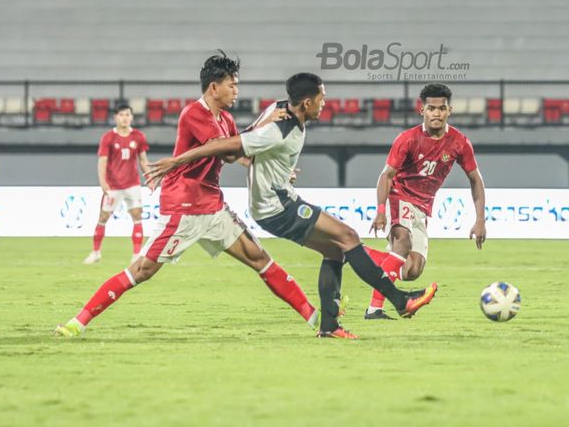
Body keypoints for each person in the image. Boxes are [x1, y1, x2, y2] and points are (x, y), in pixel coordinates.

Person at [145, 73, 438, 340]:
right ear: (307, 102)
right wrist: (177, 160)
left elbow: (245, 144)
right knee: (348, 237)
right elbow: (229, 146)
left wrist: (276, 164)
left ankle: (329, 326)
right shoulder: (279, 129)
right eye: (322, 99)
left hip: (281, 199)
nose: (325, 104)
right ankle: (401, 301)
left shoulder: (280, 111)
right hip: (276, 206)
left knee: (335, 248)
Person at [56, 52, 318, 337]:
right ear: (213, 87)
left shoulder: (226, 119)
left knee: (259, 258)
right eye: (232, 85)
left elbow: (232, 154)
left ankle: (315, 316)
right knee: (141, 270)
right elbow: (222, 145)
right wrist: (262, 127)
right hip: (184, 207)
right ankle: (77, 322)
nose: (236, 91)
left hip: (213, 206)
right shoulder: (193, 113)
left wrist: (265, 161)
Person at [364, 83, 486, 319]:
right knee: (403, 242)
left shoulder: (460, 143)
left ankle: (356, 253)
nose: (436, 113)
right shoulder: (407, 139)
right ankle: (374, 309)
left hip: (422, 207)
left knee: (412, 270)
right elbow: (386, 175)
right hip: (399, 196)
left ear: (449, 110)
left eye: (441, 108)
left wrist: (480, 219)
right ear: (422, 111)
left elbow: (475, 179)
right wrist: (380, 210)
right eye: (431, 108)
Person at [83, 104, 149, 265]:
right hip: (113, 186)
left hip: (132, 184)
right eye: (121, 115)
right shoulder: (108, 138)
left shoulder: (138, 136)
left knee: (137, 217)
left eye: (127, 114)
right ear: (115, 118)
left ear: (132, 117)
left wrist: (150, 176)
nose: (125, 118)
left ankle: (136, 255)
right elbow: (102, 162)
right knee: (103, 217)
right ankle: (96, 252)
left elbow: (143, 160)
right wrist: (103, 182)